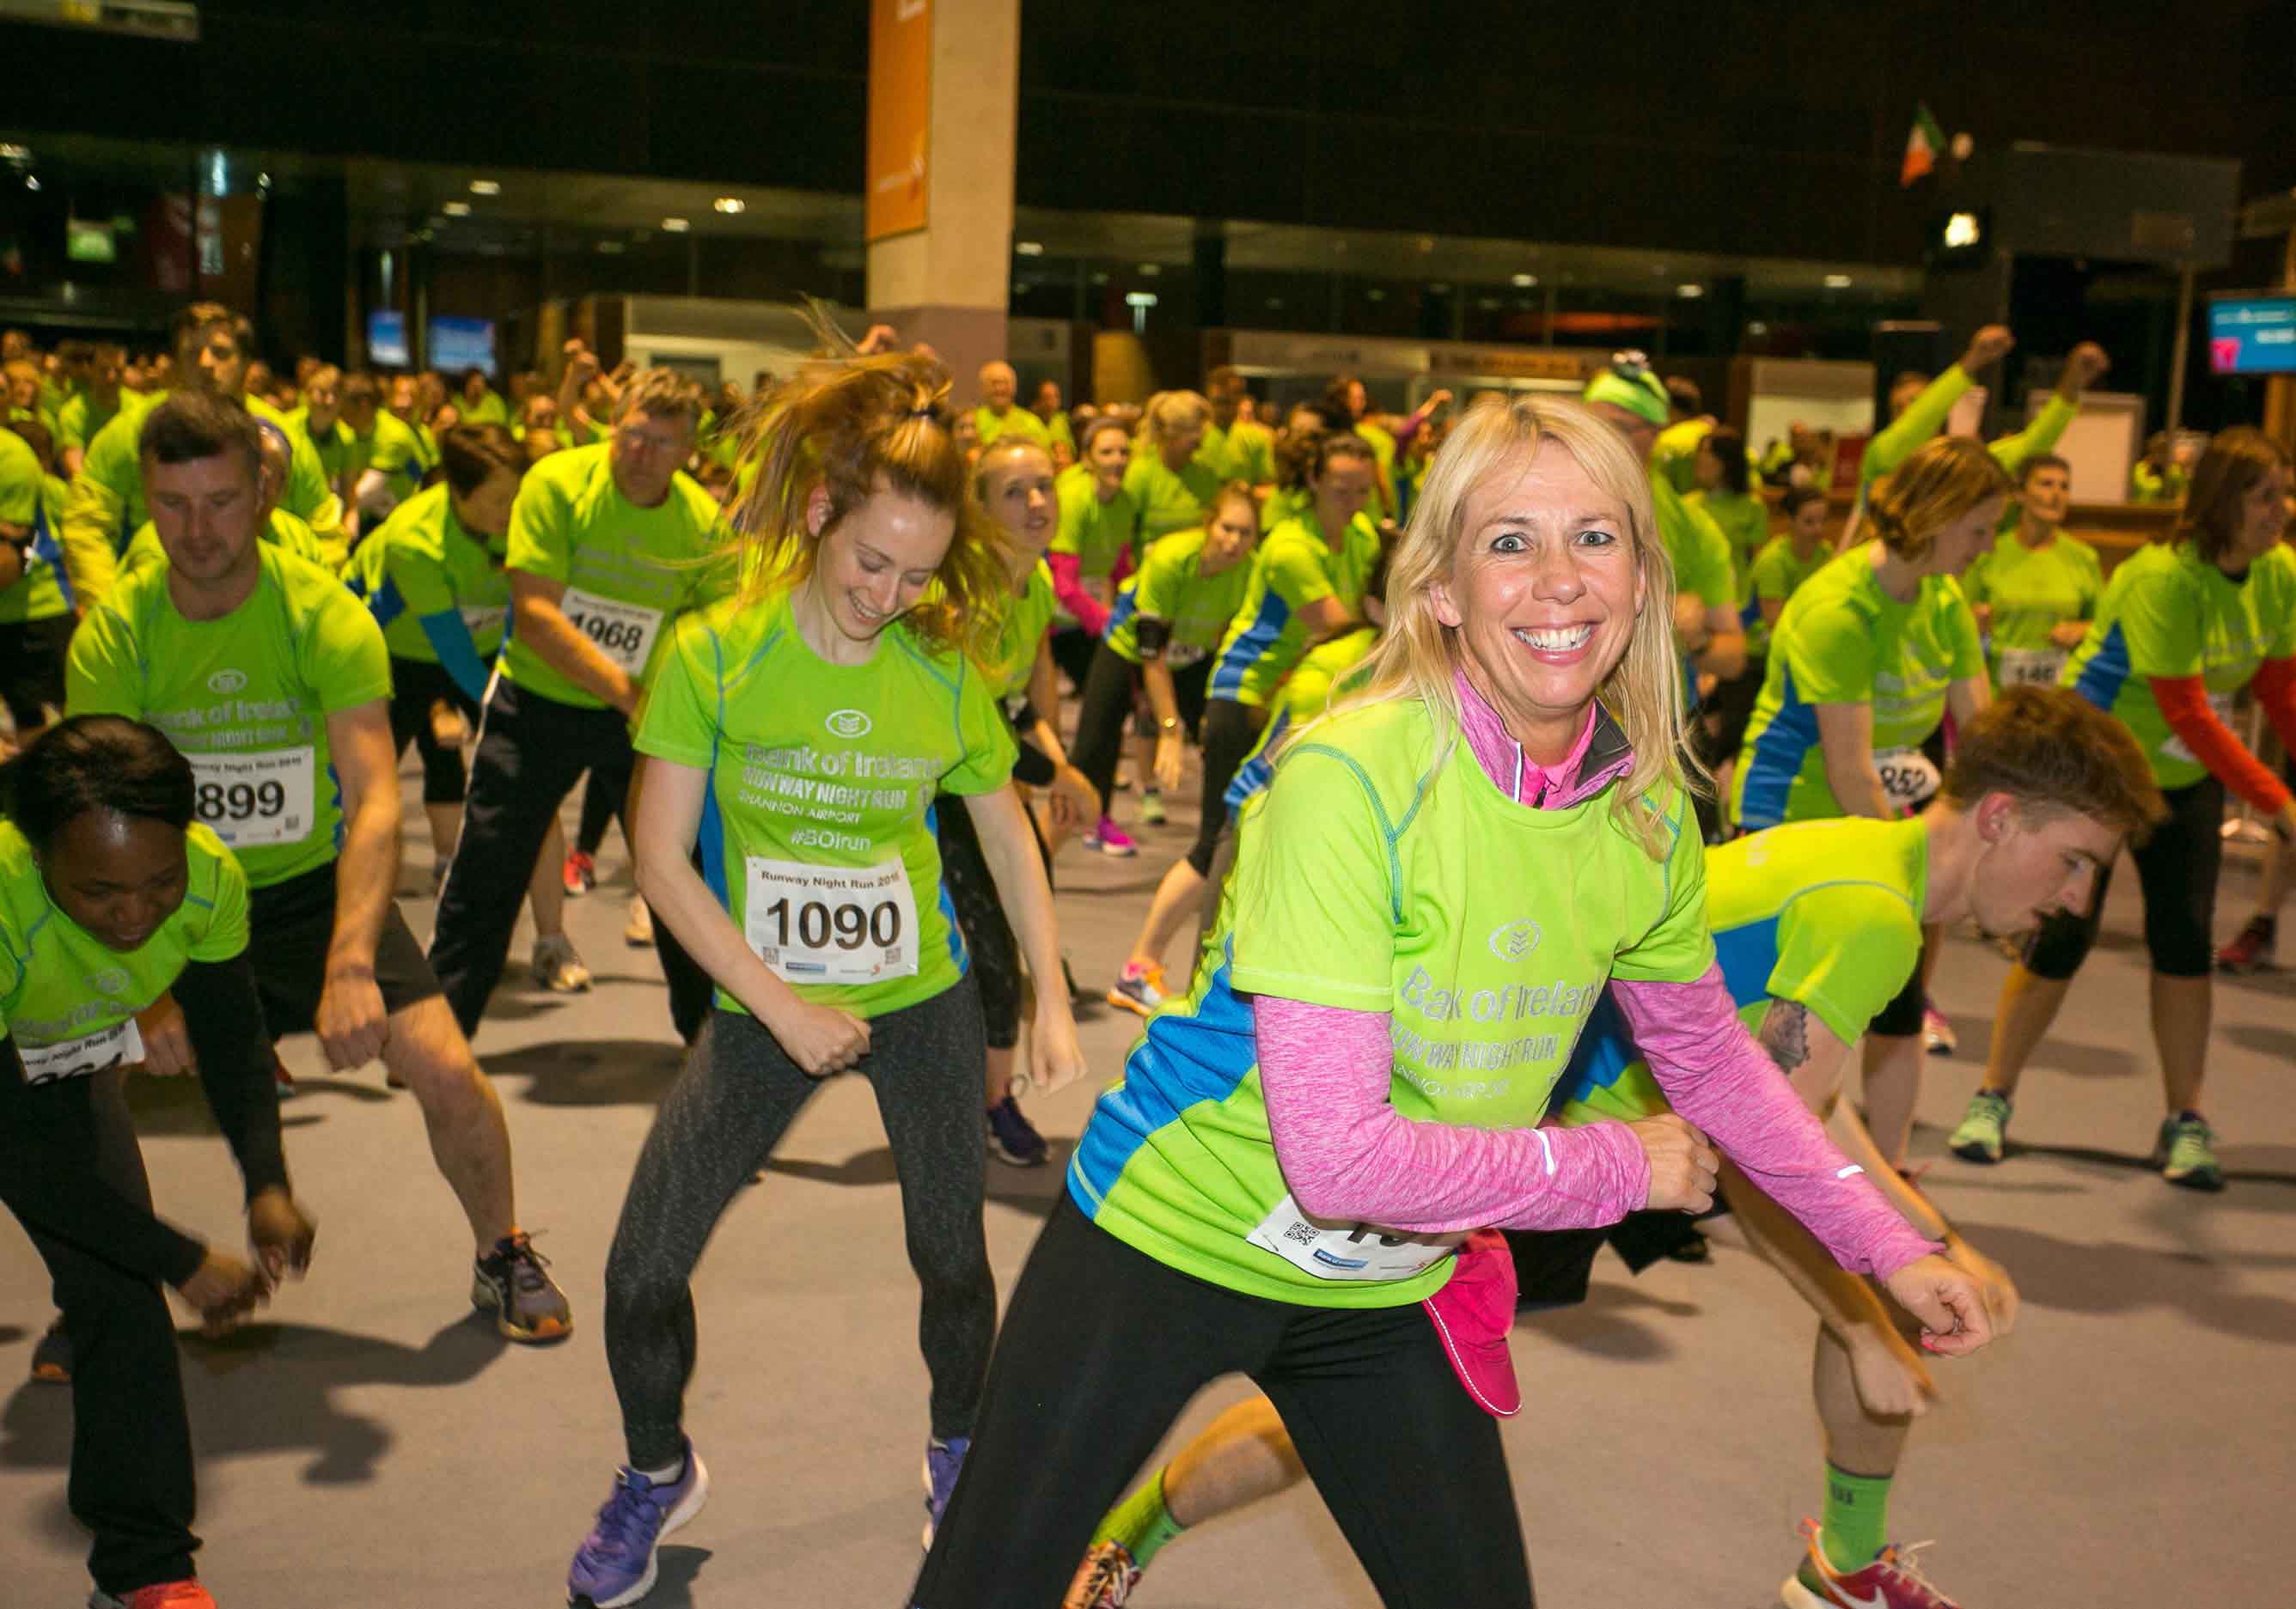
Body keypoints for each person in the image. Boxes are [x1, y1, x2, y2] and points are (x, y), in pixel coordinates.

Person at [909, 393, 1994, 1609]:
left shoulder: (1645, 813)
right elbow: (1335, 1159)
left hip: (1385, 1284)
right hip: (1169, 1239)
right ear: (1439, 589)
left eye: (1595, 537)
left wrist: (1888, 1246)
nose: (1560, 579)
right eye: (1509, 540)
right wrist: (1609, 1167)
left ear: (1643, 581)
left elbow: (1713, 1062)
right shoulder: (1349, 778)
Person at [1072, 686, 2159, 1609]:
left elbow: (1802, 1113)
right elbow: (1764, 1167)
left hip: (1620, 1127)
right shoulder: (1872, 916)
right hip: (1549, 1142)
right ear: (2000, 818)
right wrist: (1860, 1313)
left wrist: (1921, 1242)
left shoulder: (1871, 861)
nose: (2075, 899)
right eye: (2073, 862)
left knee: (1879, 1309)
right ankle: (1123, 1539)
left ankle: (1846, 1561)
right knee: (1355, 1395)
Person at [562, 338, 1086, 1609]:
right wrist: (783, 1007)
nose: (887, 594)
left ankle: (958, 1451)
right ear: (816, 516)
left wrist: (1051, 993)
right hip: (764, 1004)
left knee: (950, 1256)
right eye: (868, 562)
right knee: (640, 1270)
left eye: (916, 573)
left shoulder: (938, 671)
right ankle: (655, 1471)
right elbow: (658, 858)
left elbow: (1003, 833)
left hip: (921, 997)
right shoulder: (716, 652)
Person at [65, 391, 570, 1341]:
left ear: (262, 491)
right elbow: (99, 822)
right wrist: (148, 992)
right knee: (70, 1089)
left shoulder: (322, 615)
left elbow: (374, 797)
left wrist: (349, 963)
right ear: (146, 499)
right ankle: (97, 1289)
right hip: (165, 905)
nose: (197, 529)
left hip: (308, 893)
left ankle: (500, 1250)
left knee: (446, 1067)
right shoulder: (118, 633)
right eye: (172, 504)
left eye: (220, 501)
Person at [0, 715, 322, 1609]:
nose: (136, 914)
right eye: (100, 891)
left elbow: (231, 1033)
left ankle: (146, 1569)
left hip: (54, 1056)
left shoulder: (208, 879)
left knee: (116, 1294)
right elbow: (14, 1150)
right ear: (39, 858)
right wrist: (179, 1256)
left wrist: (267, 1182)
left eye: (158, 883)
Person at [1950, 428, 2296, 1189]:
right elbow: (2187, 710)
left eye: (2285, 493)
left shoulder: (2280, 574)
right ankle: (1991, 1095)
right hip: (2099, 767)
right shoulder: (2162, 578)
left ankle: (2186, 1119)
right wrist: (2277, 803)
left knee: (2185, 942)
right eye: (2266, 496)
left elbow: (2279, 688)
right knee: (2061, 938)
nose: (2283, 510)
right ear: (2222, 501)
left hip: (2184, 777)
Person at [425, 369, 723, 1048]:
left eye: (663, 442)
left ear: (688, 452)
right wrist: (631, 694)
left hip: (642, 723)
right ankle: (439, 1040)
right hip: (538, 704)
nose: (642, 453)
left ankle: (708, 1045)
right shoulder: (557, 484)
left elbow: (718, 630)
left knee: (682, 878)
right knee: (487, 870)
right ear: (612, 426)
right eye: (633, 434)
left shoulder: (701, 524)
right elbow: (536, 615)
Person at [1734, 436, 2003, 1166]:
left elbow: (1984, 735)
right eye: (1979, 528)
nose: (1987, 546)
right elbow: (1851, 772)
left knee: (1899, 995)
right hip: (1790, 816)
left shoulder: (1944, 600)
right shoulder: (1838, 609)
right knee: (1781, 1013)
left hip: (1877, 817)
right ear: (1936, 516)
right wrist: (1914, 879)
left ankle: (1888, 1172)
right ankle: (1750, 1173)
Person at [1108, 431, 1378, 1016]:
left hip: (1294, 698)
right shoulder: (1290, 546)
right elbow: (1344, 624)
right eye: (1341, 489)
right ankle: (1142, 967)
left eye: (1363, 489)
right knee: (1217, 841)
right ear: (1314, 482)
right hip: (1245, 695)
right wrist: (1171, 727)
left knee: (1242, 843)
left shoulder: (1359, 535)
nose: (1354, 501)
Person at [342, 424, 590, 984]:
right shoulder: (413, 538)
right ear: (457, 491)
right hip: (392, 654)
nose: (511, 511)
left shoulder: (526, 521)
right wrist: (499, 707)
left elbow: (531, 610)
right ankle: (354, 948)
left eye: (517, 496)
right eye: (498, 500)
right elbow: (449, 647)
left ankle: (552, 942)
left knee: (535, 788)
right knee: (363, 797)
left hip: (486, 649)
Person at [949, 436, 1096, 1163]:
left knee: (1010, 934)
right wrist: (1054, 775)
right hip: (937, 785)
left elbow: (1024, 697)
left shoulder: (1033, 584)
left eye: (1044, 486)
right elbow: (965, 718)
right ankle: (989, 1101)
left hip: (989, 775)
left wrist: (1059, 765)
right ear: (979, 510)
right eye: (1015, 491)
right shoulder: (962, 589)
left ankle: (982, 1094)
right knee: (992, 952)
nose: (1037, 502)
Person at [64, 303, 346, 612]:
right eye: (191, 352)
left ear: (246, 363)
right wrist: (107, 611)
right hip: (161, 612)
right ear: (176, 362)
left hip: (267, 613)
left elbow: (324, 532)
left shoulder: (283, 439)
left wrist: (310, 613)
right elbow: (88, 523)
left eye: (221, 353)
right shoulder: (134, 430)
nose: (205, 363)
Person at [1071, 481, 1259, 890]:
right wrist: (1170, 730)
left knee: (1225, 737)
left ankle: (1219, 841)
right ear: (1209, 524)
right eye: (1227, 528)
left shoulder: (1250, 572)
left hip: (1192, 658)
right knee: (1089, 752)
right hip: (1128, 651)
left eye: (1245, 533)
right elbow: (1151, 653)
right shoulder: (1172, 557)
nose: (1234, 541)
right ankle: (1066, 840)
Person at [1580, 356, 1747, 690]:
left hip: (1649, 714)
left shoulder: (1692, 528)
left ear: (1654, 434)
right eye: (1586, 424)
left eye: (1616, 427)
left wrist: (1697, 637)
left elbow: (1733, 658)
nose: (1593, 439)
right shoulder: (1542, 503)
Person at [1960, 454, 2101, 691]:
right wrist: (1975, 623)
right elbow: (1961, 619)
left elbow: (2104, 626)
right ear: (2020, 494)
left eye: (2064, 486)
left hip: (2061, 696)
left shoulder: (2084, 558)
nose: (2056, 494)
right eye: (2046, 484)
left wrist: (2081, 630)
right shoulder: (1988, 553)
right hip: (1999, 695)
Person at [1122, 391, 1223, 545]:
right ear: (1168, 433)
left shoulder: (1206, 475)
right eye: (1192, 433)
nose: (1199, 442)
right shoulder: (1140, 474)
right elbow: (1124, 534)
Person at [973, 360, 1050, 452]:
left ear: (1014, 387)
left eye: (1005, 383)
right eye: (994, 383)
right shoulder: (972, 421)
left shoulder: (1032, 423)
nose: (1000, 389)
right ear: (983, 388)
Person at [2130, 430, 2189, 503]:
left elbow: (2182, 496)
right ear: (2152, 450)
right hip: (2135, 508)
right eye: (2160, 450)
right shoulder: (2137, 469)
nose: (2162, 454)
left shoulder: (2175, 472)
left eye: (2165, 451)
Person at [1029, 377, 1076, 462]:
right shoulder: (1029, 422)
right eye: (1046, 397)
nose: (1052, 402)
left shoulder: (1064, 420)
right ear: (1037, 401)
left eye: (1056, 396)